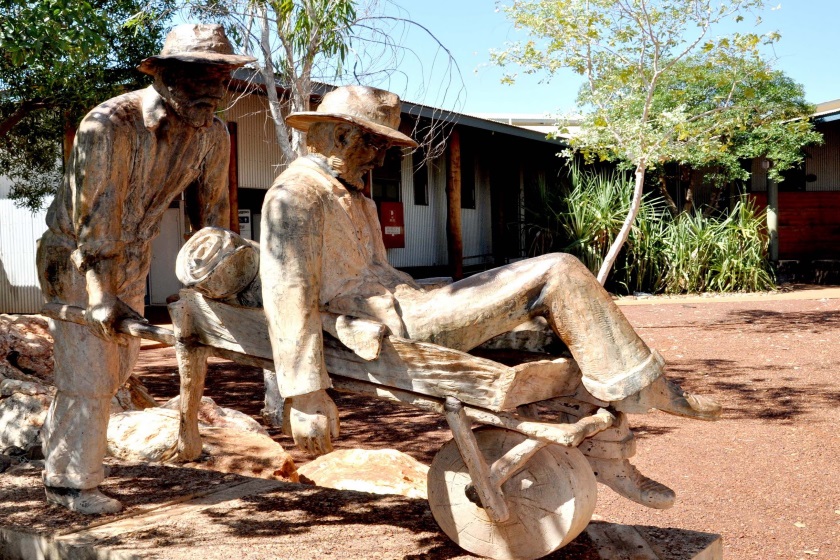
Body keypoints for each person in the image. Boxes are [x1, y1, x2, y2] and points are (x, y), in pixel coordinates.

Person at [260, 85, 721, 508]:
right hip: (393, 323)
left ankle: (609, 459)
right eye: (375, 145)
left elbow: (379, 272)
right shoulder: (295, 196)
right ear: (341, 137)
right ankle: (654, 386)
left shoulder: (353, 196)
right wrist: (304, 394)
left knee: (556, 331)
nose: (380, 161)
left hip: (411, 302)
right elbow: (288, 296)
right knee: (556, 270)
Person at [36, 24, 255, 514]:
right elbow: (98, 213)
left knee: (114, 368)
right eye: (201, 77)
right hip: (76, 255)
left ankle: (60, 456)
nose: (213, 91)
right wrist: (98, 295)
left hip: (134, 255)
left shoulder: (212, 134)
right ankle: (71, 485)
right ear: (167, 74)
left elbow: (215, 216)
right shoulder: (111, 122)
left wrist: (222, 281)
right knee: (89, 370)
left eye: (222, 79)